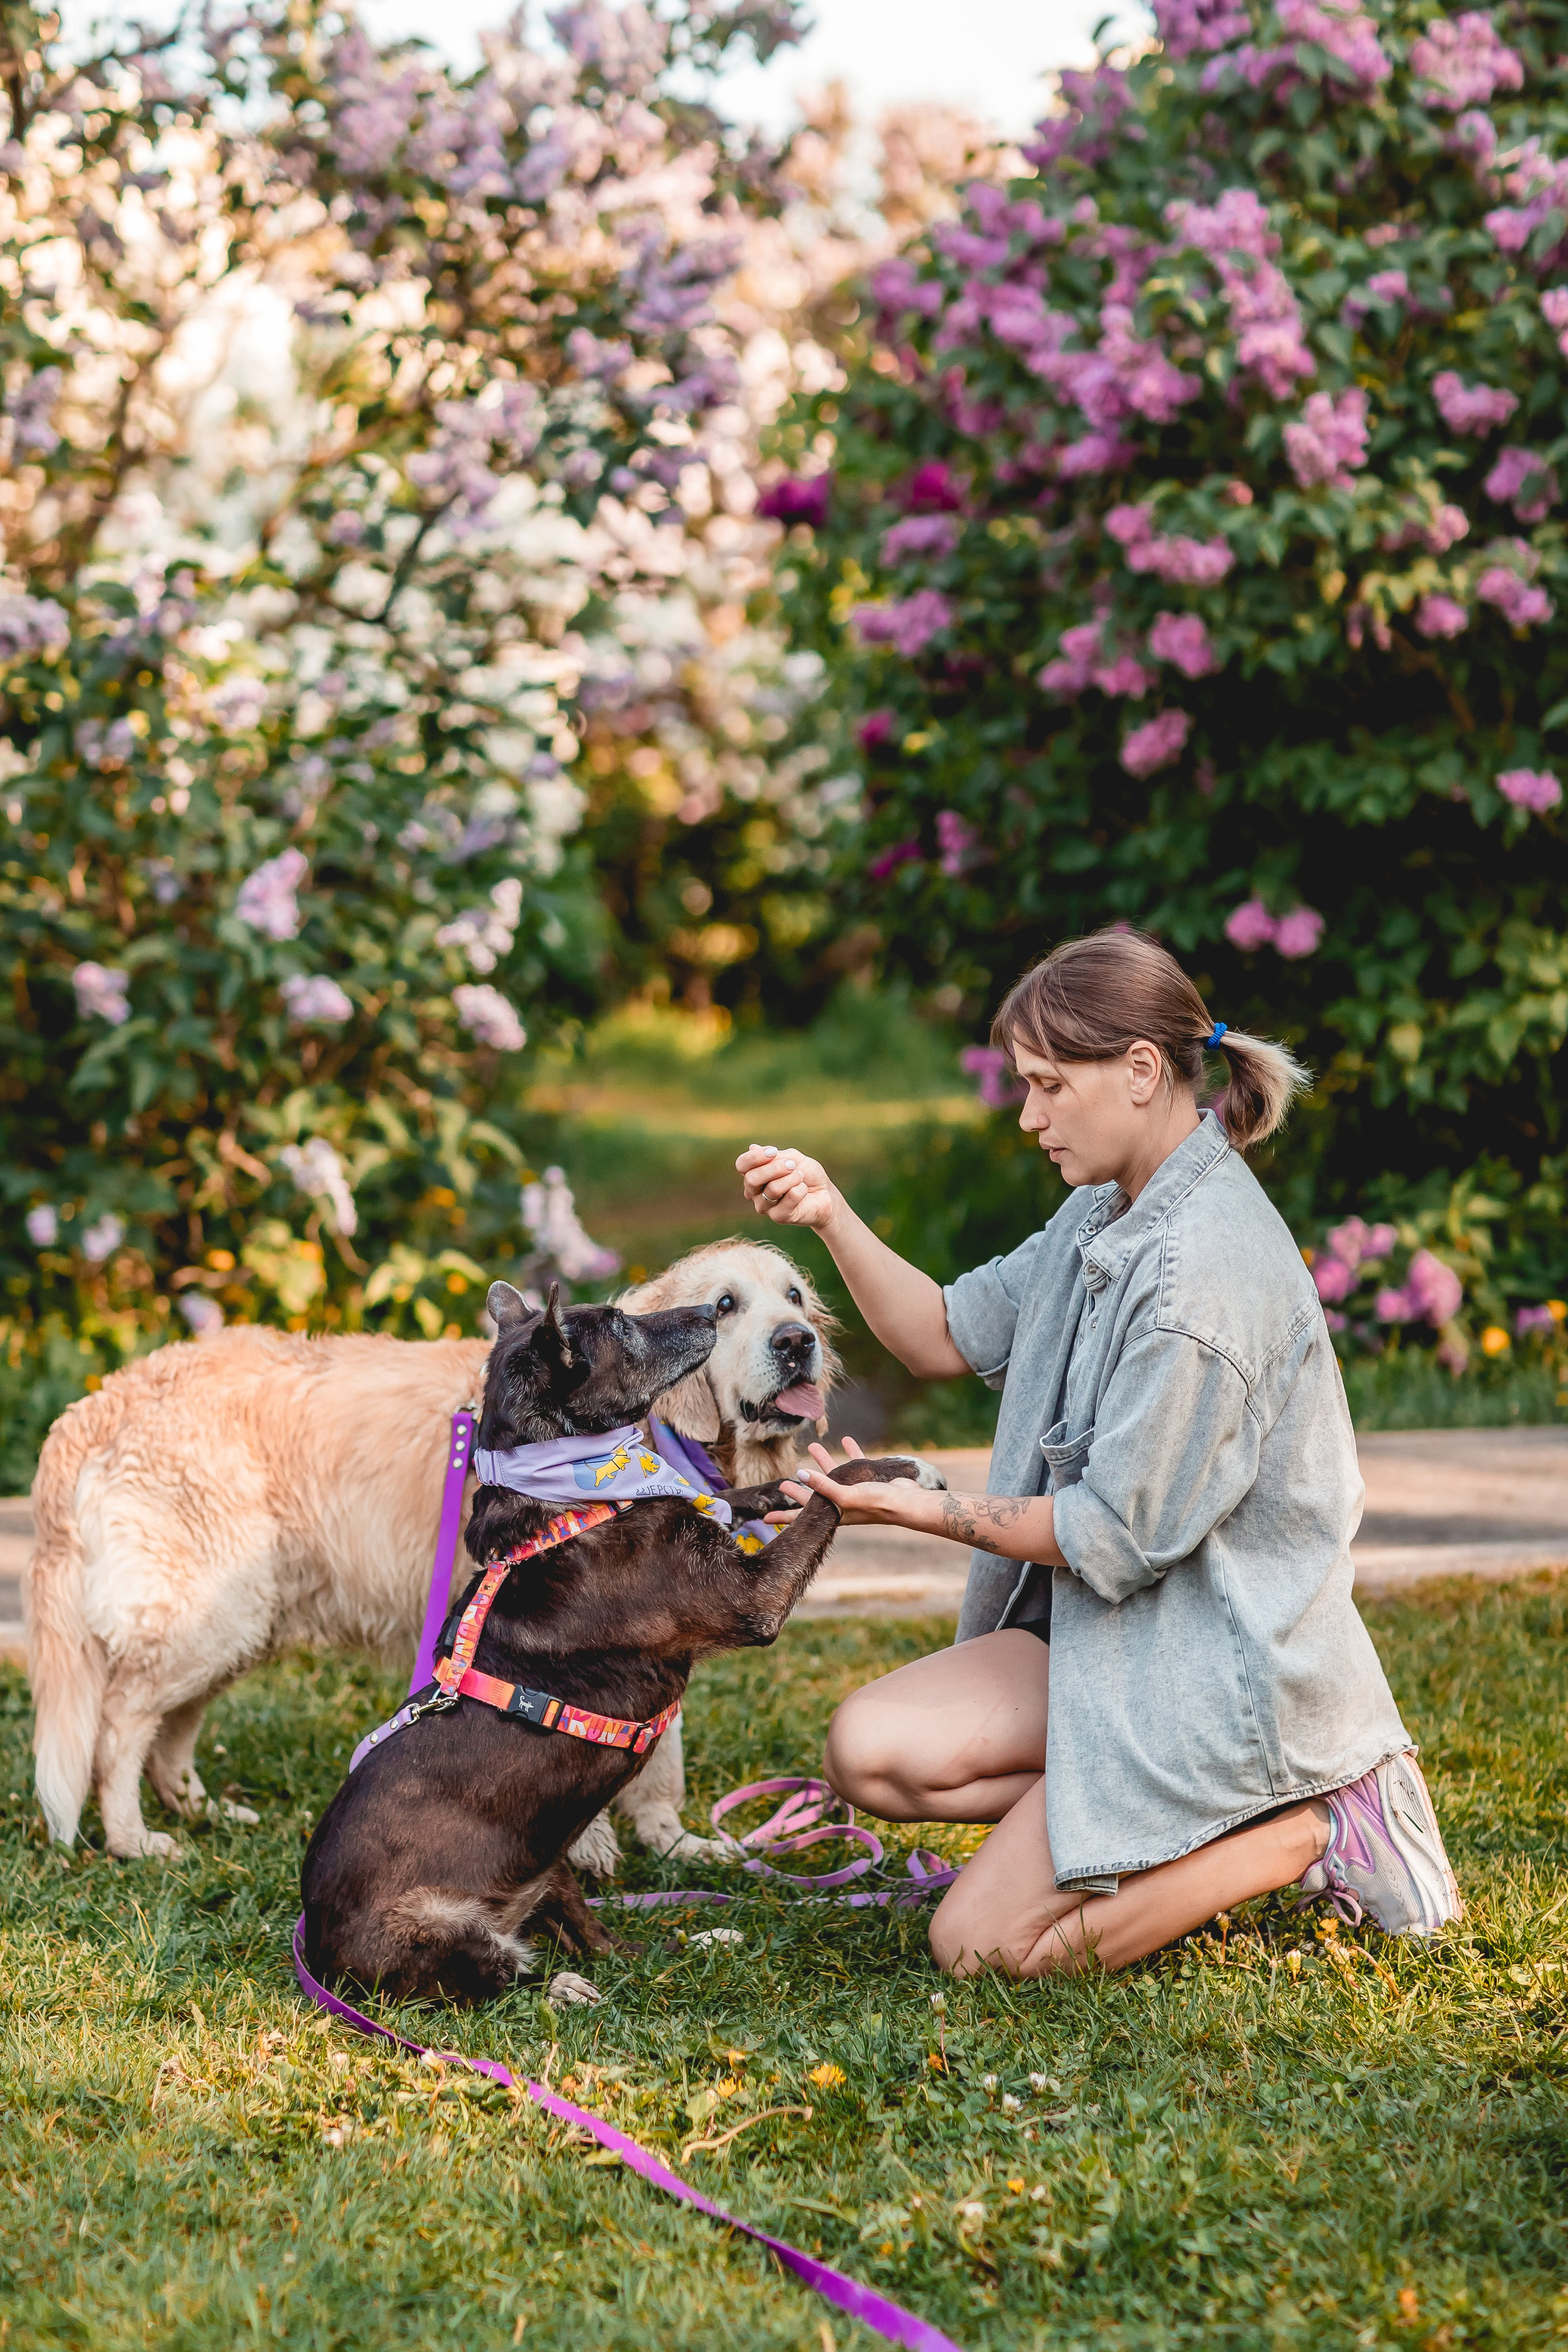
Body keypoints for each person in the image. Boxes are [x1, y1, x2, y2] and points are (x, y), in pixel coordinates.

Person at [736, 928, 1461, 1980]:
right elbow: (942, 1331)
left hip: (1220, 1679)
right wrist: (830, 1214)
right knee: (871, 1754)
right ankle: (1140, 1827)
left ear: (1140, 1070)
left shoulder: (1198, 1281)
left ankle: (1313, 1824)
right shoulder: (1105, 1209)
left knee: (981, 1948)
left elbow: (1110, 1537)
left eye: (1048, 1086)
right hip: (1116, 1642)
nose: (1028, 1116)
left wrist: (921, 1507)